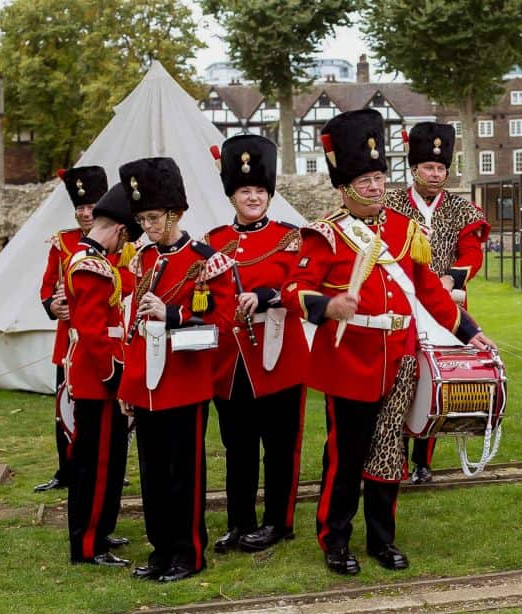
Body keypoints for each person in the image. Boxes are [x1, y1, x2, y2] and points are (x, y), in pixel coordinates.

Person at [281, 109, 493, 576]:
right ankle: (334, 539)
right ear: (344, 186)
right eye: (366, 180)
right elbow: (294, 290)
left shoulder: (403, 229)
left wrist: (470, 333)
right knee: (346, 457)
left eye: (380, 178)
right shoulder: (325, 235)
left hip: (398, 359)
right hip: (349, 362)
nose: (376, 187)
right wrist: (330, 305)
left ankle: (382, 539)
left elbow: (431, 293)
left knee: (387, 454)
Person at [117, 157, 236, 583]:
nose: (147, 226)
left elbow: (223, 326)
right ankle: (161, 548)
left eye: (153, 217)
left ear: (176, 213)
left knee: (183, 474)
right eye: (142, 218)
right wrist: (128, 388)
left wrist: (173, 314)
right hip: (146, 385)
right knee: (151, 474)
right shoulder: (141, 261)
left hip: (185, 383)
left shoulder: (208, 261)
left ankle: (190, 552)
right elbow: (132, 330)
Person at [204, 135, 309, 554]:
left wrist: (266, 295)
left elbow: (303, 286)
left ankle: (278, 522)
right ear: (232, 195)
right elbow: (204, 297)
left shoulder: (292, 237)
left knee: (280, 447)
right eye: (245, 191)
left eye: (260, 191)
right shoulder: (213, 241)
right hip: (231, 364)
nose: (253, 197)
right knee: (239, 448)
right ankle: (239, 522)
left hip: (280, 355)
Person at [383, 122, 490, 484]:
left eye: (441, 168)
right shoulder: (392, 204)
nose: (436, 174)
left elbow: (472, 252)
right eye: (429, 167)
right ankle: (391, 453)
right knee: (401, 378)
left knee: (435, 378)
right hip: (400, 303)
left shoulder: (461, 208)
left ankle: (423, 458)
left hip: (445, 304)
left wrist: (450, 279)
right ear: (414, 169)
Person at [63, 185, 142, 568]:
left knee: (110, 462)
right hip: (99, 379)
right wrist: (115, 378)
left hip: (103, 373)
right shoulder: (89, 265)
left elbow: (124, 286)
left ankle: (102, 529)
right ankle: (88, 545)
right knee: (95, 465)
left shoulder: (98, 261)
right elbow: (94, 333)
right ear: (119, 231)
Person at [35, 166, 107, 493]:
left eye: (91, 207)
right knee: (65, 407)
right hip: (69, 341)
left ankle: (107, 466)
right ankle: (67, 469)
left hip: (103, 340)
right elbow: (47, 286)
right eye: (80, 208)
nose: (85, 213)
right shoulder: (61, 243)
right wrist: (54, 305)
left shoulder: (119, 242)